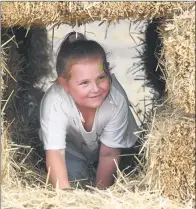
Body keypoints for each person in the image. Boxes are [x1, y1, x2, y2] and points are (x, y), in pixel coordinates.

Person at [39, 32, 139, 190]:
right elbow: (56, 153)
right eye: (84, 83)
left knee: (127, 170)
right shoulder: (55, 103)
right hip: (73, 150)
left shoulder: (116, 99)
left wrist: (100, 194)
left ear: (108, 71)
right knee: (76, 181)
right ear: (64, 84)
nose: (96, 89)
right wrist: (65, 195)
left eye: (101, 77)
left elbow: (109, 154)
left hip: (114, 149)